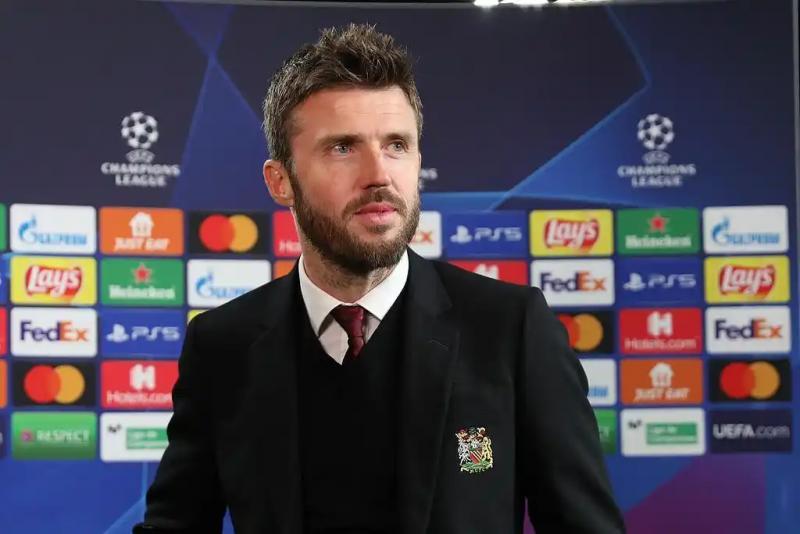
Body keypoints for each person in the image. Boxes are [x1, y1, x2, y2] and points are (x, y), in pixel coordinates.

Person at [134, 23, 625, 534]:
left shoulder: (510, 329)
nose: (379, 175)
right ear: (280, 181)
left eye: (396, 145)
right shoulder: (223, 346)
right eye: (342, 147)